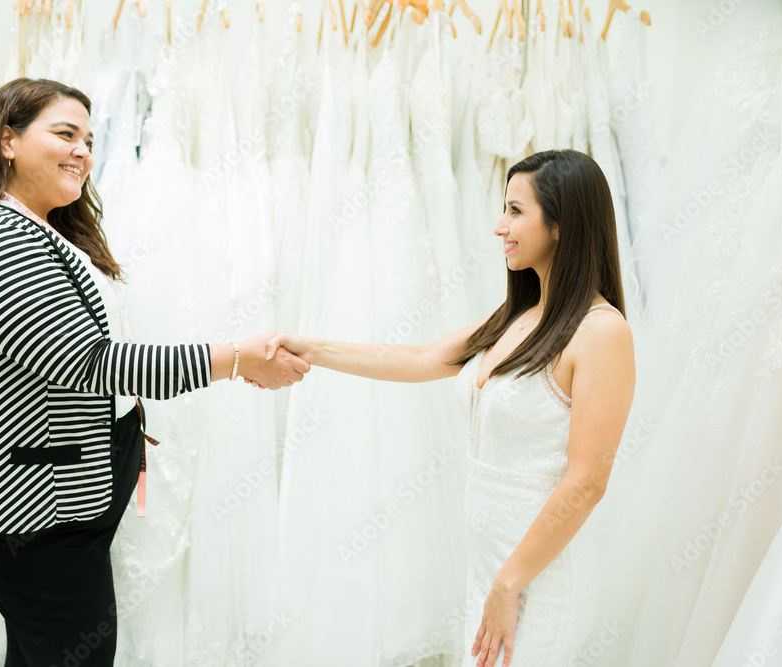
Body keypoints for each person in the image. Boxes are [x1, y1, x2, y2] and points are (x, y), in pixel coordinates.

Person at [0, 77, 309, 667]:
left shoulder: (42, 226)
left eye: (90, 140)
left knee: (41, 650)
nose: (84, 152)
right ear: (7, 141)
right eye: (65, 133)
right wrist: (234, 359)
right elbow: (85, 361)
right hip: (32, 506)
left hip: (66, 484)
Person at [265, 149, 636, 667]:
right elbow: (417, 358)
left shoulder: (602, 332)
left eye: (515, 210)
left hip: (539, 576)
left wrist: (510, 585)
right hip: (491, 566)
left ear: (561, 224)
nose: (499, 226)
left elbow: (587, 482)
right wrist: (312, 349)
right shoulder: (521, 316)